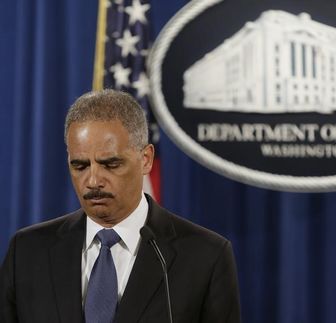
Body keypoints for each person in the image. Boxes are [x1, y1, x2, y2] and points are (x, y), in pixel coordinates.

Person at [0, 89, 241, 323]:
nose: (93, 181)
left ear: (145, 159)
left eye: (111, 164)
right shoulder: (27, 252)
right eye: (80, 166)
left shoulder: (205, 257)